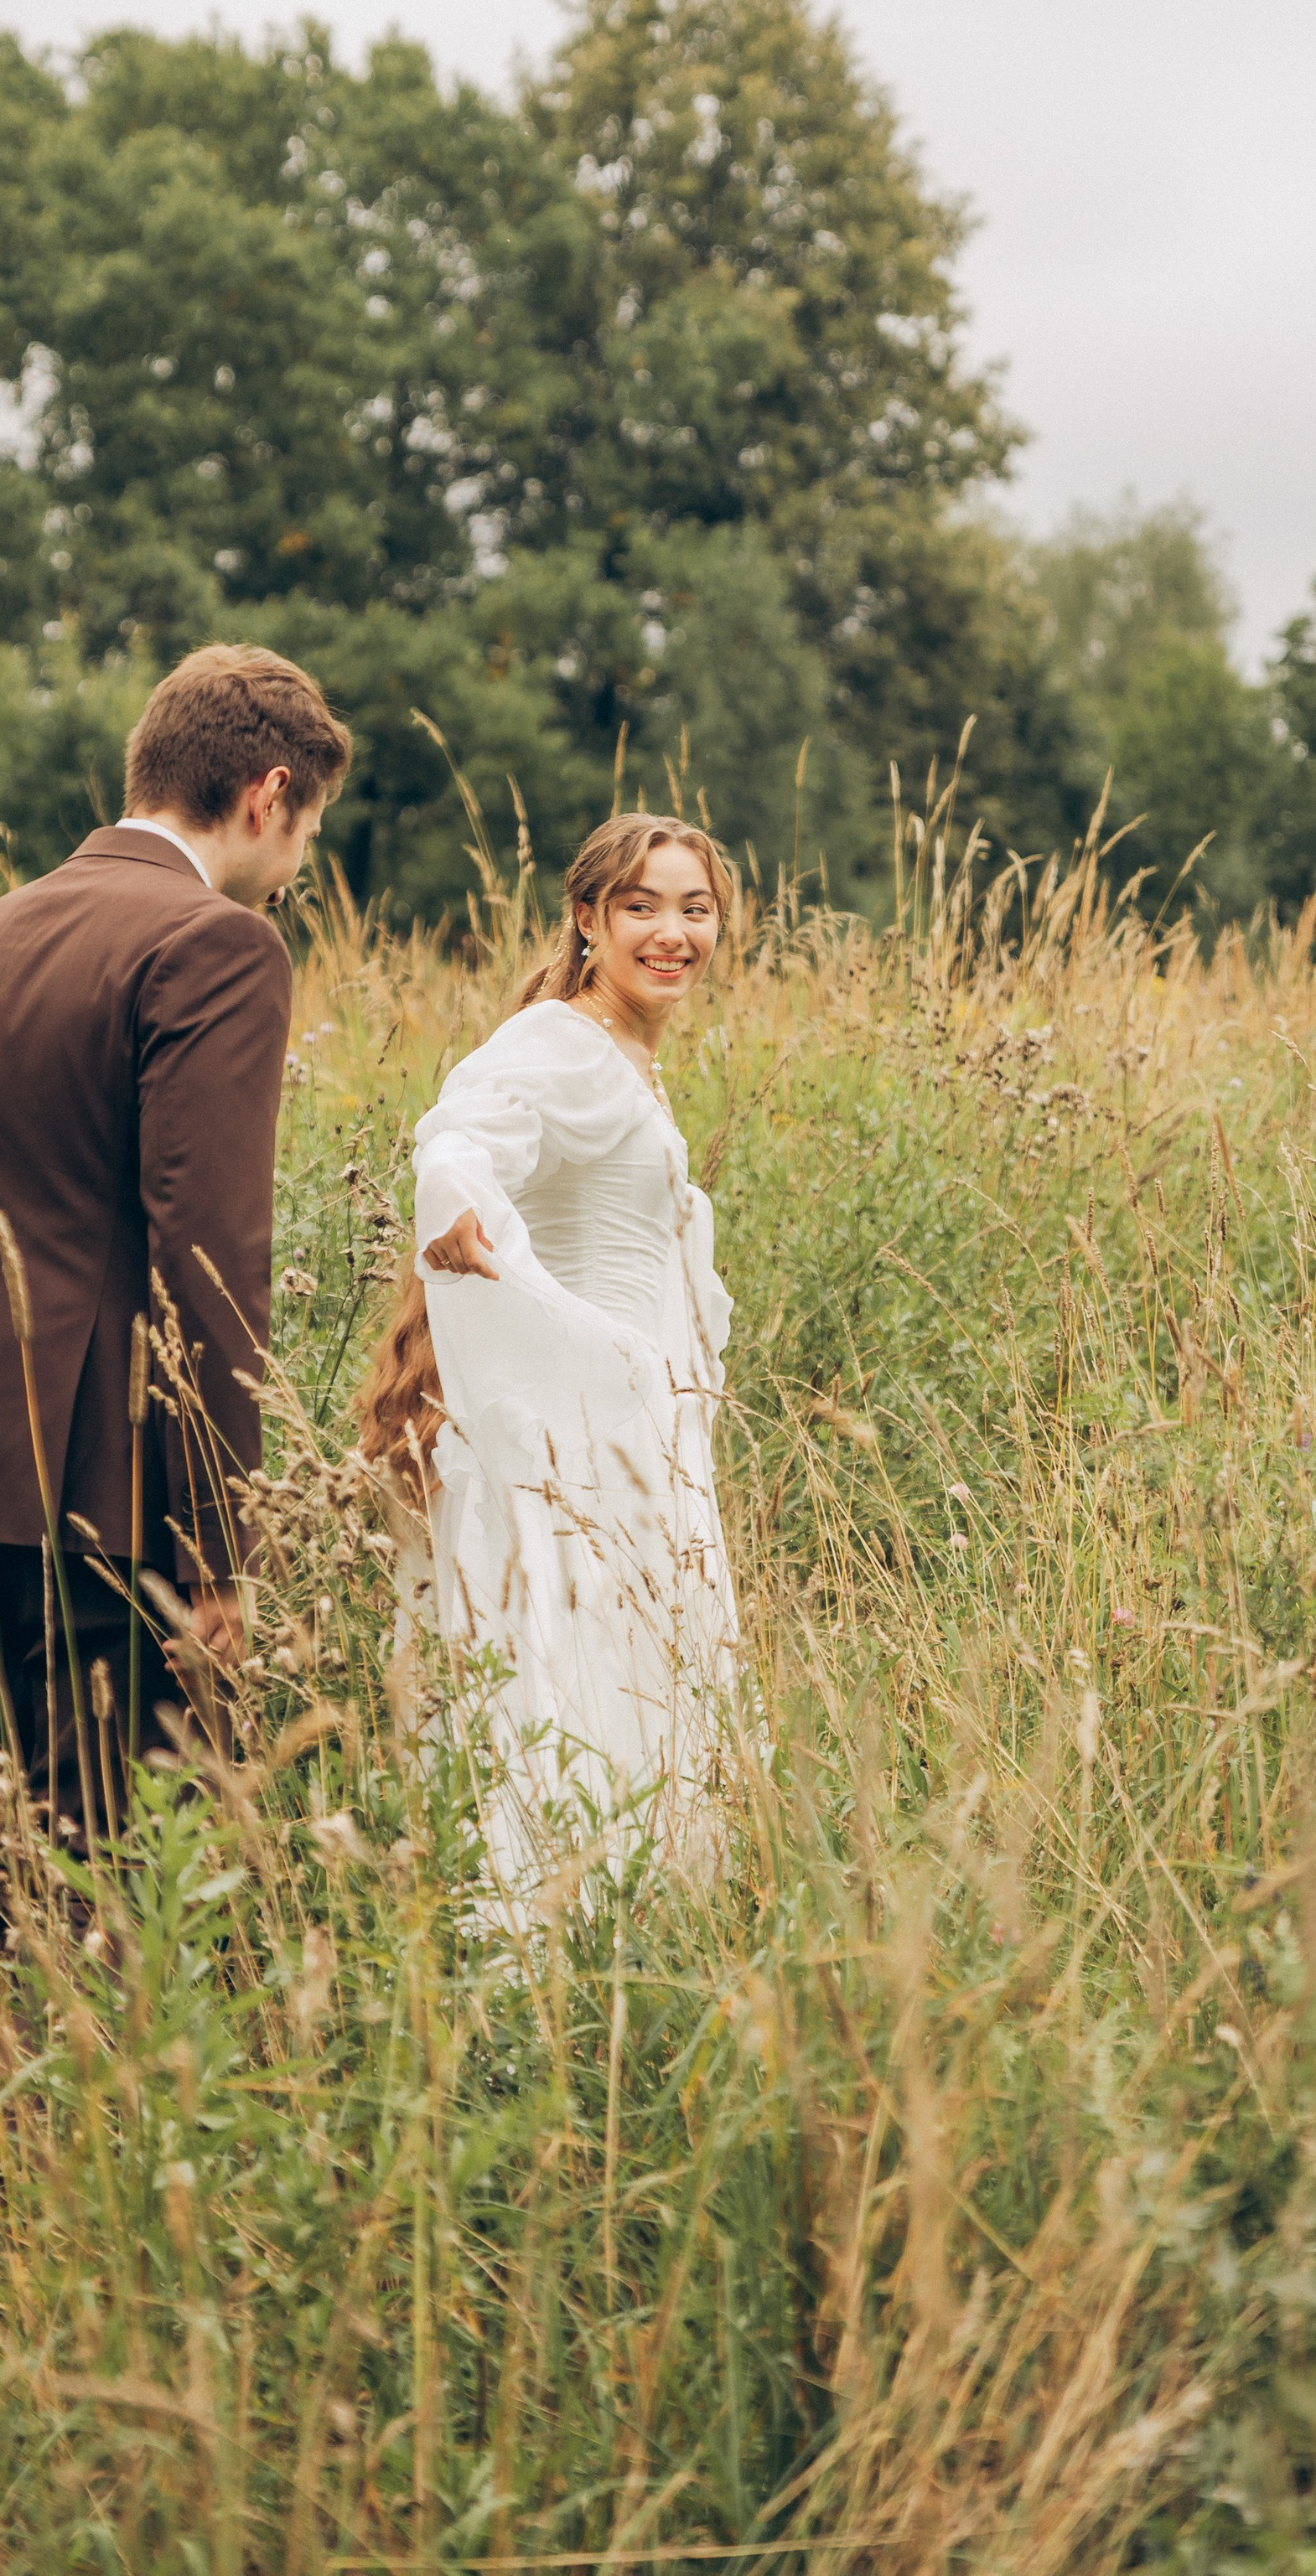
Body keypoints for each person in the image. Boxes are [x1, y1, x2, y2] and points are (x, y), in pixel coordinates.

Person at [0, 642, 350, 1842]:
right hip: (104, 1491)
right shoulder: (218, 946)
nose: (296, 869)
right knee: (119, 1870)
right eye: (308, 831)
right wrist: (222, 1542)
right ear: (267, 794)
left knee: (1, 1850)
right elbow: (211, 1254)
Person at [357, 815, 740, 1904]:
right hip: (586, 1439)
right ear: (587, 918)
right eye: (642, 907)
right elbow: (466, 1130)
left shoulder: (626, 1059)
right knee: (576, 1694)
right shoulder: (562, 1043)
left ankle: (628, 1951)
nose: (672, 933)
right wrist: (461, 1203)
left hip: (638, 1435)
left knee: (633, 1691)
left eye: (695, 909)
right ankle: (559, 1955)